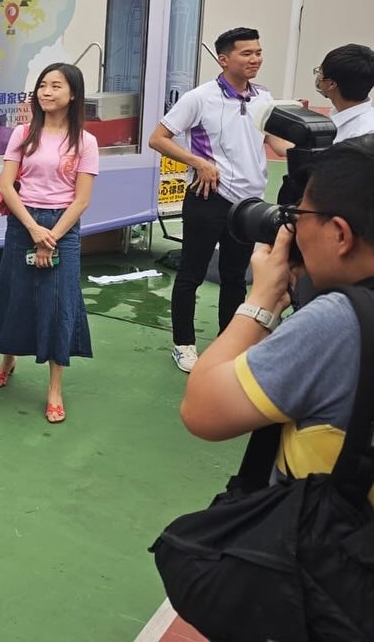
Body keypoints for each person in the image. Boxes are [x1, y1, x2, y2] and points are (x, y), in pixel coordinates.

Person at [180, 136, 374, 507]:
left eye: (299, 216)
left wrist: (263, 298)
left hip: (327, 535)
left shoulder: (338, 324)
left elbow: (202, 410)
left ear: (340, 234)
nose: (292, 226)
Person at [148, 27, 292, 374]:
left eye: (258, 52)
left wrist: (308, 151)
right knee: (191, 273)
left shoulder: (264, 97)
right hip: (208, 198)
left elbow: (274, 140)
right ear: (224, 59)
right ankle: (183, 344)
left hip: (250, 204)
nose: (255, 59)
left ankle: (229, 342)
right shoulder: (199, 97)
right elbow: (158, 138)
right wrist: (198, 162)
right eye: (246, 53)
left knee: (234, 277)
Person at [0, 63, 99, 424]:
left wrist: (52, 237)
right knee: (16, 294)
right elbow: (6, 184)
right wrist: (33, 229)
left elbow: (81, 199)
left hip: (64, 228)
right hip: (23, 224)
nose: (46, 92)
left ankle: (54, 388)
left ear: (73, 94)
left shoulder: (86, 142)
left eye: (56, 86)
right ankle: (8, 360)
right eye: (42, 85)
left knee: (59, 304)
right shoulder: (23, 133)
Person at [315, 43, 374, 142]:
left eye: (320, 73)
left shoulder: (362, 136)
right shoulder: (338, 114)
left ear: (331, 84)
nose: (318, 78)